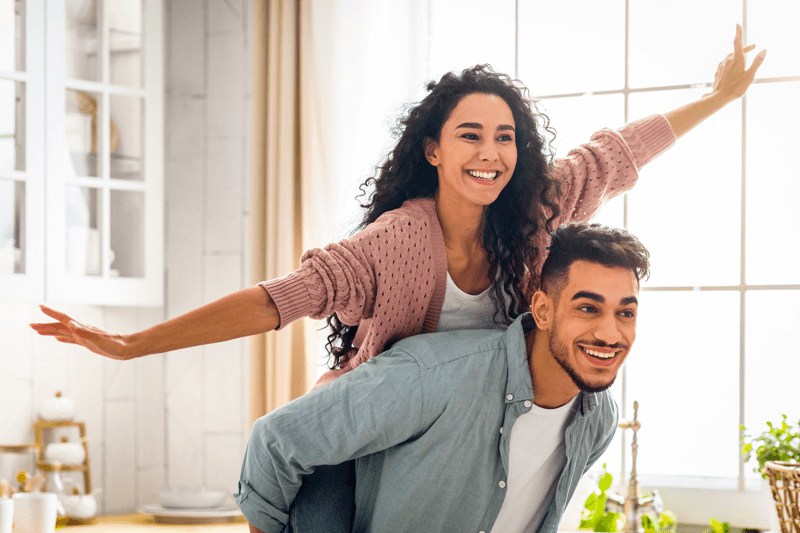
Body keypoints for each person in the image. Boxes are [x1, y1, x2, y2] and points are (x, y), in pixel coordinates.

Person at [29, 25, 764, 532]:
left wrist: (719, 96)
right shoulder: (397, 241)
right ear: (434, 150)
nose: (491, 152)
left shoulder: (535, 213)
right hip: (350, 452)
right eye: (470, 134)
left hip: (446, 451)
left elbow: (618, 153)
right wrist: (132, 345)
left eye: (505, 136)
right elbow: (274, 301)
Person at [237, 221, 649, 533]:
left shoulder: (598, 419)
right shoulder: (434, 376)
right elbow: (276, 440)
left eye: (625, 313)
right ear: (541, 310)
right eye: (588, 308)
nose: (610, 334)